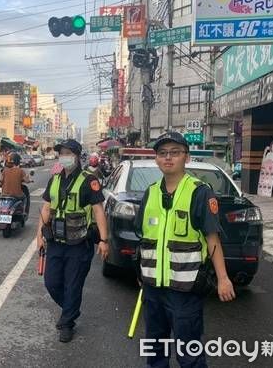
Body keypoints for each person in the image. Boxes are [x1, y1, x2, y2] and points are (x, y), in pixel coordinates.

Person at [133, 131, 236, 368]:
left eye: (175, 153)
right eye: (162, 153)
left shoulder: (199, 192)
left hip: (185, 291)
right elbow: (145, 239)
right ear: (156, 159)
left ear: (186, 158)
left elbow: (212, 238)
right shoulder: (150, 192)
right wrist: (141, 273)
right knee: (155, 351)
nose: (168, 158)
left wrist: (223, 278)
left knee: (189, 354)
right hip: (153, 289)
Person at [35, 139, 109, 343]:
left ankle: (67, 323)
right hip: (56, 242)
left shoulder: (89, 180)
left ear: (77, 156)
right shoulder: (55, 179)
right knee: (51, 283)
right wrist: (39, 237)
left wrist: (104, 239)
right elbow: (46, 209)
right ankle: (71, 309)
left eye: (68, 153)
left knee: (73, 285)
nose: (64, 157)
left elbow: (98, 210)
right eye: (62, 153)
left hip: (80, 244)